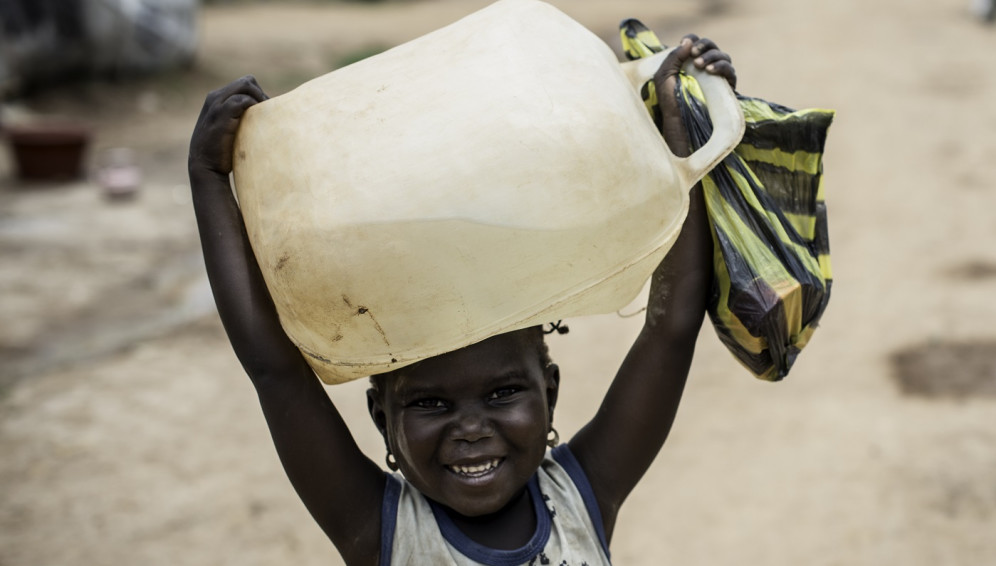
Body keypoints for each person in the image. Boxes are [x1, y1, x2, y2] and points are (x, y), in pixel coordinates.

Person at [187, 34, 736, 566]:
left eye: (503, 393)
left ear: (550, 392)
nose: (470, 428)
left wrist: (678, 128)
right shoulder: (380, 532)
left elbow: (672, 326)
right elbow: (275, 370)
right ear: (383, 419)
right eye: (430, 404)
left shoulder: (582, 498)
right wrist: (209, 176)